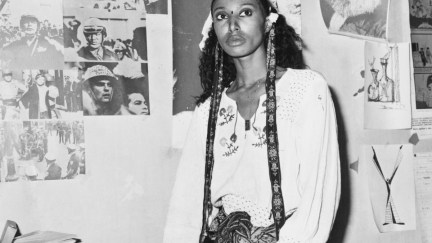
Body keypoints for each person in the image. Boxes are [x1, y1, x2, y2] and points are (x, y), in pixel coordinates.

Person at [164, 0, 341, 242]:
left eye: (245, 12)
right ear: (214, 28)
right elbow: (185, 206)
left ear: (268, 22)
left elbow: (319, 192)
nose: (233, 25)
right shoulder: (208, 110)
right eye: (222, 16)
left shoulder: (306, 89)